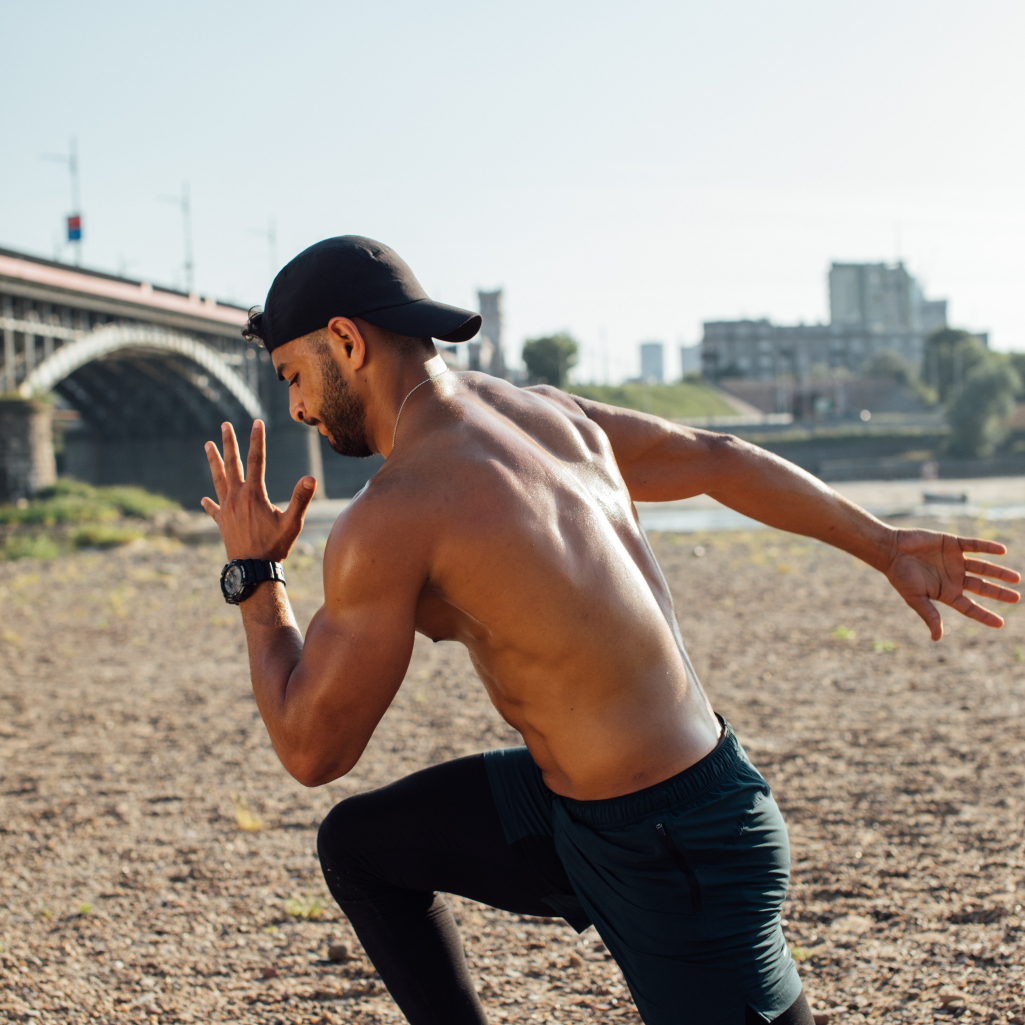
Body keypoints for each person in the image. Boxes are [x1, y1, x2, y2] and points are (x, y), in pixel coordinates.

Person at [202, 237, 1020, 1025]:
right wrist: (882, 544)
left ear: (346, 341)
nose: (298, 405)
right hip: (584, 812)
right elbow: (717, 455)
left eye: (294, 374)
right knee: (364, 845)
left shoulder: (394, 513)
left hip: (678, 852)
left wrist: (254, 576)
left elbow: (312, 749)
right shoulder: (544, 413)